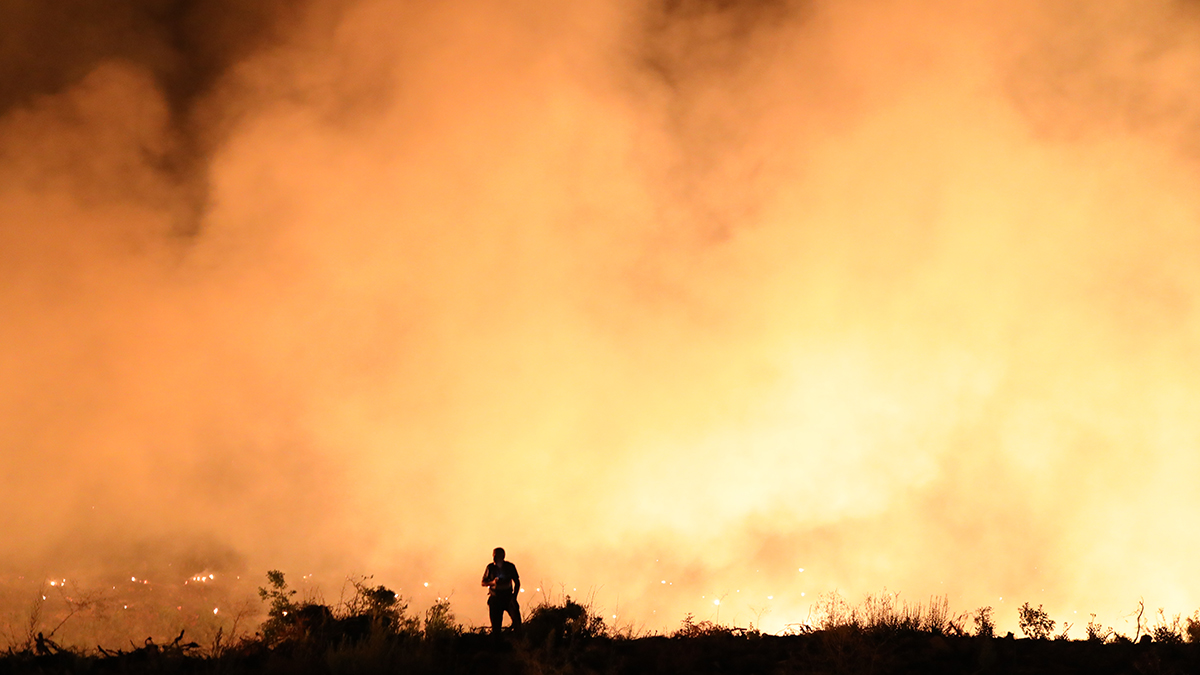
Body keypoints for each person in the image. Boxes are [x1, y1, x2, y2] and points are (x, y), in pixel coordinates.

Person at [481, 547, 521, 634]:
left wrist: (514, 597)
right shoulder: (490, 567)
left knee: (517, 623)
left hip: (508, 597)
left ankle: (518, 638)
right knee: (496, 627)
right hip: (495, 599)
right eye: (494, 556)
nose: (495, 558)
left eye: (497, 556)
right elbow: (483, 582)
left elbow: (517, 582)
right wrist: (493, 582)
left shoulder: (510, 567)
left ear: (503, 556)